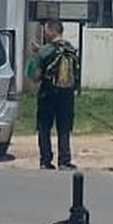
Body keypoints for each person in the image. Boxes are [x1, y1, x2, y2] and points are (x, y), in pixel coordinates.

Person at [27, 20, 80, 170]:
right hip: (67, 94)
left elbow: (34, 75)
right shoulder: (71, 49)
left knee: (44, 127)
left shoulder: (45, 51)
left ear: (52, 31)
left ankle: (45, 160)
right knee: (64, 128)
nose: (44, 33)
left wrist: (35, 55)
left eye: (46, 30)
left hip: (48, 94)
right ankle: (64, 160)